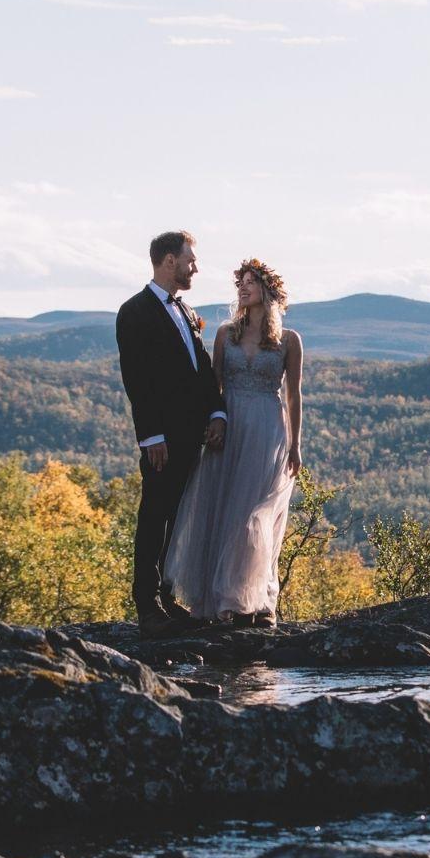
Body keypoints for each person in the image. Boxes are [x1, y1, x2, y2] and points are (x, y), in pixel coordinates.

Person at [163, 257, 304, 626]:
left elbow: (294, 397)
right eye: (240, 283)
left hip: (268, 432)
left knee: (255, 517)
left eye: (250, 283)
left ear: (267, 291)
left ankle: (257, 598)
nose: (242, 288)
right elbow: (215, 385)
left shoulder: (289, 341)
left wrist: (295, 445)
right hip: (231, 427)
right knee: (224, 511)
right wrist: (213, 421)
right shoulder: (227, 333)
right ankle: (222, 600)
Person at [115, 230, 225, 636]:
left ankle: (165, 596)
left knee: (176, 517)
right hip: (162, 439)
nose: (194, 266)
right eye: (189, 259)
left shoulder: (184, 309)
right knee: (154, 515)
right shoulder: (135, 312)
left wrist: (216, 412)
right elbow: (137, 381)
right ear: (167, 261)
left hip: (191, 433)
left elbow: (201, 368)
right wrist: (151, 437)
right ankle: (145, 606)